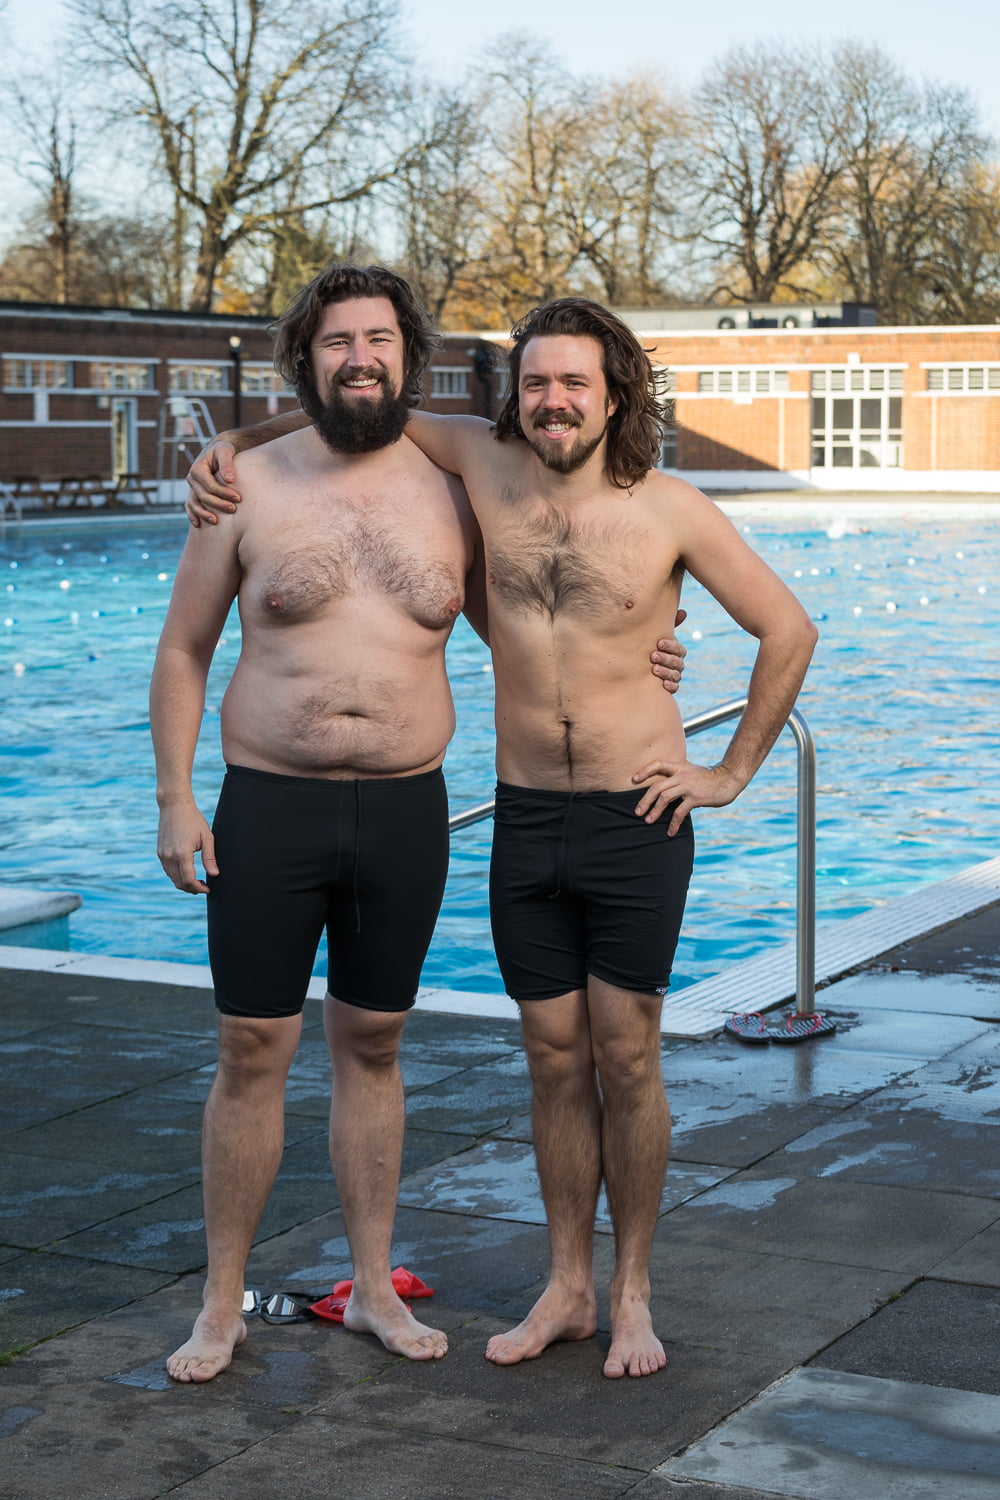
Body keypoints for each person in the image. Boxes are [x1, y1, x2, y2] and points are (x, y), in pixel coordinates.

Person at [187, 290, 816, 1381]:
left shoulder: (669, 506)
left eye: (574, 381)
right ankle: (564, 1284)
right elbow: (349, 409)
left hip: (634, 812)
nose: (554, 399)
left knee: (627, 1054)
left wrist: (725, 772)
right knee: (550, 1057)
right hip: (526, 816)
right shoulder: (477, 461)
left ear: (613, 390)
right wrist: (231, 440)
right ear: (511, 395)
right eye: (535, 382)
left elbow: (787, 628)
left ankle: (630, 1295)